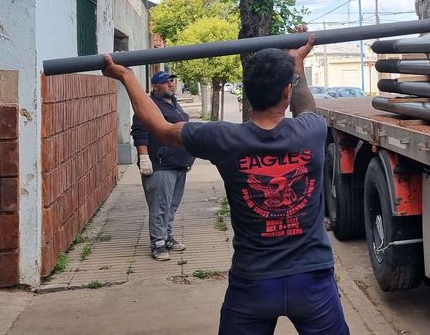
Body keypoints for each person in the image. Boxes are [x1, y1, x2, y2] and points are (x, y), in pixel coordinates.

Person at [103, 35, 349, 335]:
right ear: (287, 90)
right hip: (312, 282)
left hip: (253, 283)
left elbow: (159, 127)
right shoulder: (311, 130)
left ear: (245, 93)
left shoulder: (224, 139)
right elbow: (306, 104)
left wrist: (126, 77)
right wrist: (297, 63)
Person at [131, 70, 194, 261]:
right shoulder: (149, 107)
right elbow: (140, 132)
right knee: (160, 205)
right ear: (155, 86)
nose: (171, 84)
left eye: (172, 81)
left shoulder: (174, 104)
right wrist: (144, 157)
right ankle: (157, 242)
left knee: (172, 205)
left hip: (179, 164)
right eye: (165, 82)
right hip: (160, 165)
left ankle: (167, 236)